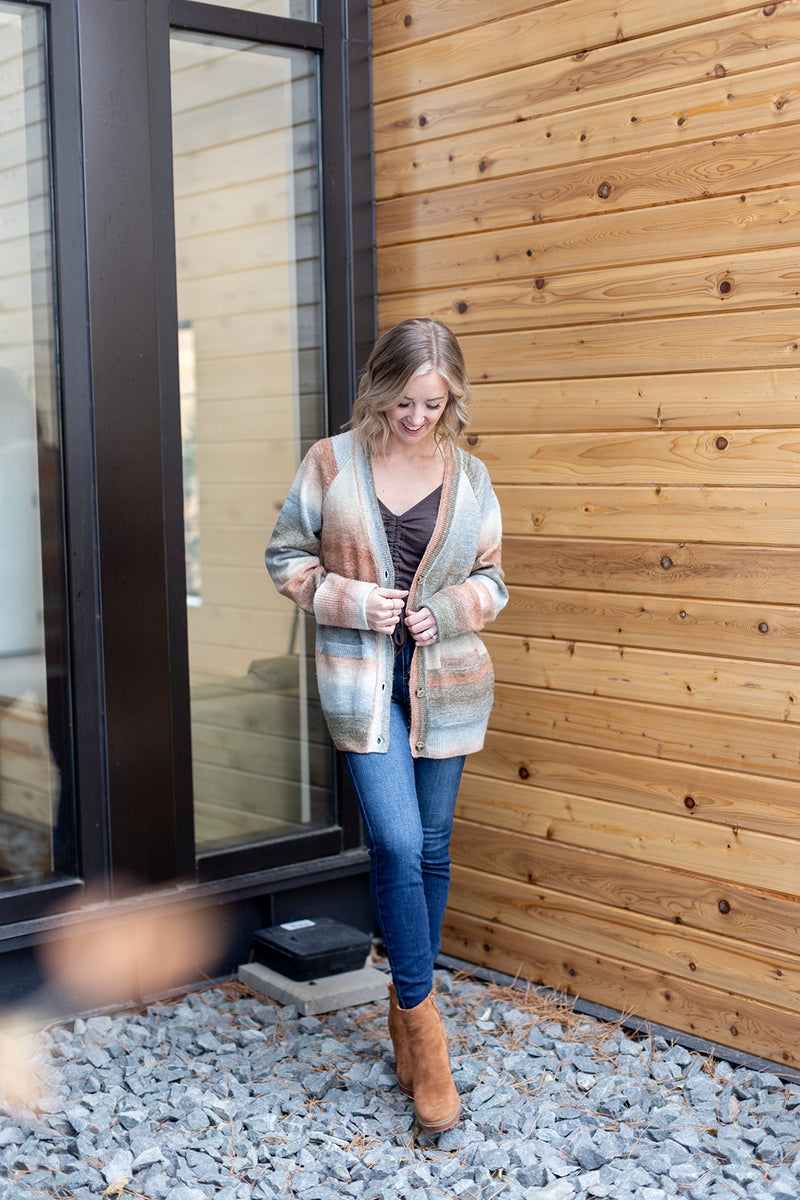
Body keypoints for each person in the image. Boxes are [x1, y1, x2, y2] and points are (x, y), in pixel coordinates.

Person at [265, 319, 507, 1133]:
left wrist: (447, 607)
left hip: (449, 687)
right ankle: (427, 1032)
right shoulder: (331, 462)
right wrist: (352, 600)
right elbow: (286, 557)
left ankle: (407, 1015)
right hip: (363, 688)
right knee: (399, 844)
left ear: (453, 398)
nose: (417, 418)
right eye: (404, 401)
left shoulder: (469, 477)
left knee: (434, 846)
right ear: (380, 390)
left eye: (433, 404)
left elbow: (494, 580)